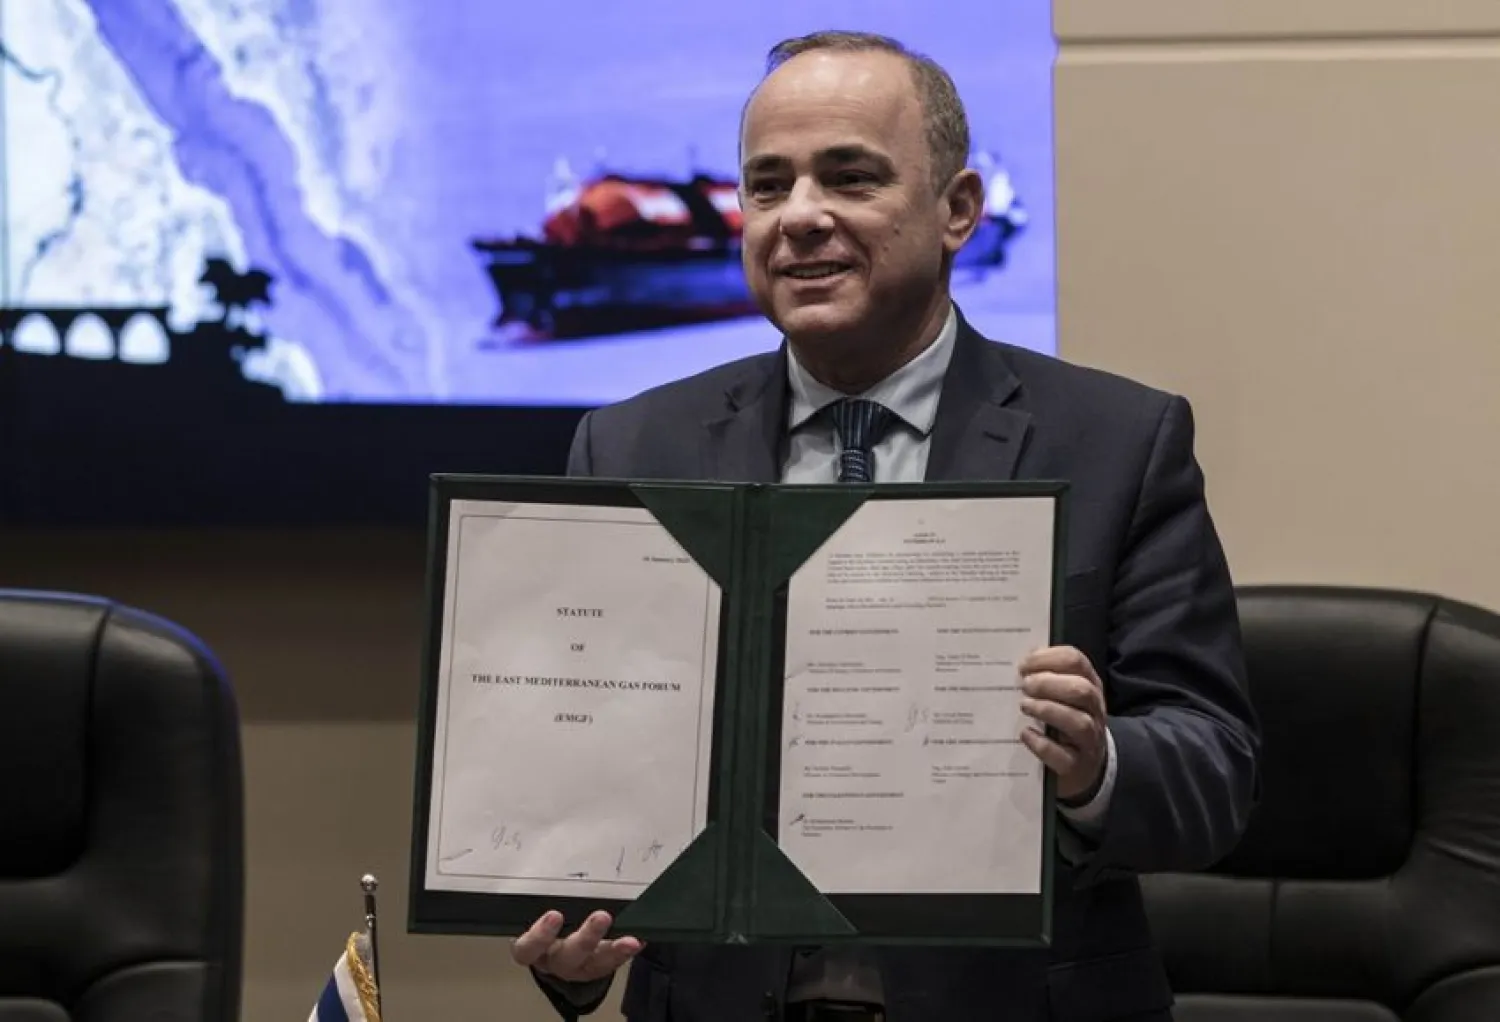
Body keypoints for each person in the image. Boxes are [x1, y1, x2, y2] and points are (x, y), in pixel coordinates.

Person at [509, 29, 1261, 1022]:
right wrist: (574, 950)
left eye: (850, 177)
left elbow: (1214, 766)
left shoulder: (1118, 441)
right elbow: (592, 771)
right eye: (768, 185)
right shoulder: (632, 446)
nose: (800, 217)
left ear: (957, 211)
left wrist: (1094, 765)